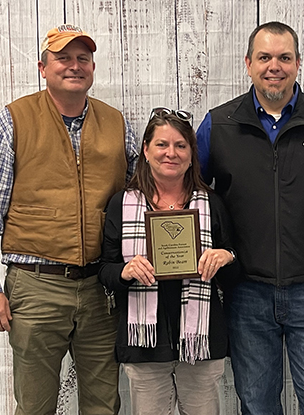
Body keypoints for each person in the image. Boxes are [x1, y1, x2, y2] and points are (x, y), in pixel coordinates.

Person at [0, 24, 139, 414]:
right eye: (63, 58)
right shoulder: (11, 122)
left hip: (101, 290)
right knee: (35, 405)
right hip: (35, 287)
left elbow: (139, 200)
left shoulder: (117, 125)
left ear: (92, 67)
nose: (74, 66)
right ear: (43, 68)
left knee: (103, 404)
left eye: (83, 58)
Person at [196, 21, 304, 415]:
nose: (275, 65)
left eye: (284, 57)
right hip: (245, 292)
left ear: (298, 63)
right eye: (265, 57)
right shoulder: (218, 125)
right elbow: (193, 198)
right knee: (256, 403)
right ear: (248, 63)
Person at [98, 108, 239, 415]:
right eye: (162, 144)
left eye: (180, 146)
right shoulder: (122, 204)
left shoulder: (212, 203)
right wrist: (125, 271)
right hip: (144, 341)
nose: (171, 153)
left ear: (191, 154)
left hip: (200, 341)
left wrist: (226, 257)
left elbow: (235, 269)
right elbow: (104, 271)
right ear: (146, 150)